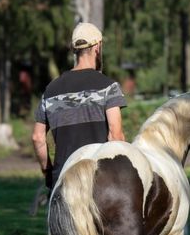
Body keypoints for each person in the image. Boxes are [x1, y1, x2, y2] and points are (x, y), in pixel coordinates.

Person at [32, 22, 126, 190]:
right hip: (99, 182)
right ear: (97, 47)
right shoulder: (108, 87)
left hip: (63, 182)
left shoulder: (50, 91)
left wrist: (48, 172)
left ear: (74, 50)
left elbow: (38, 137)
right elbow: (115, 135)